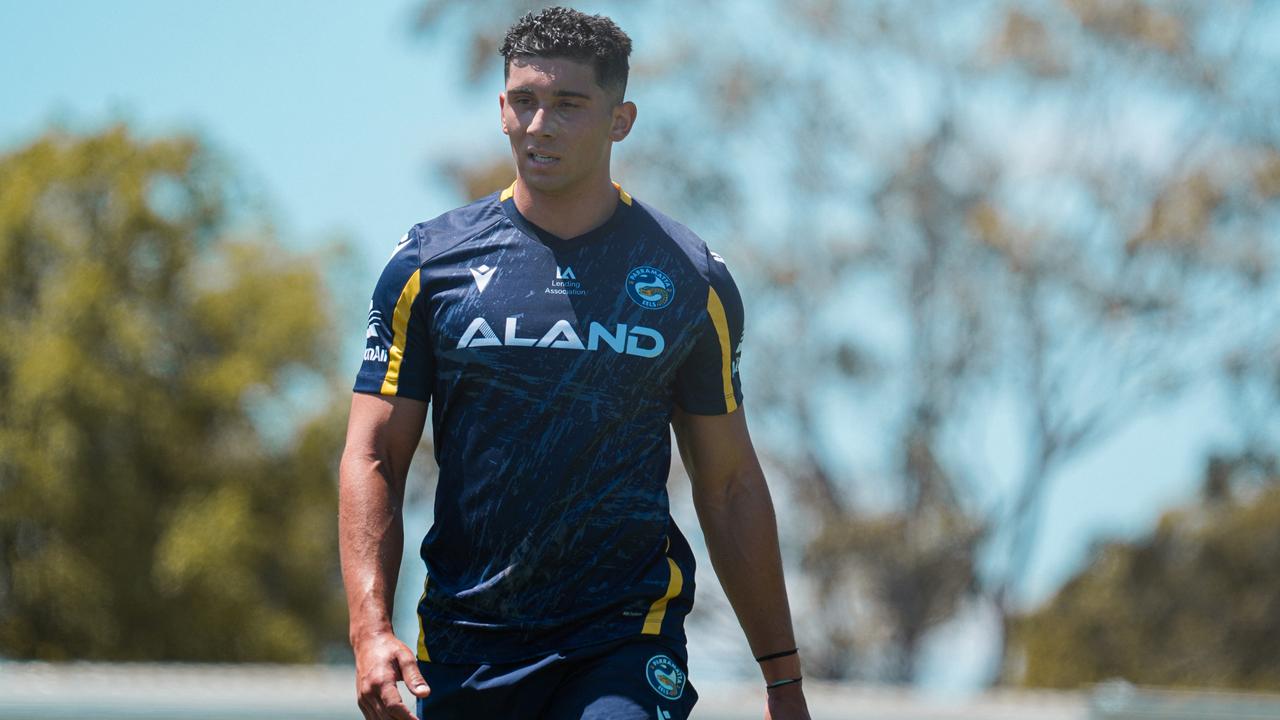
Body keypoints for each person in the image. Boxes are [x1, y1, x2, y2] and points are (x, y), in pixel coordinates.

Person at [339, 7, 810, 719]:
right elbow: (373, 455)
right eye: (523, 102)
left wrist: (783, 678)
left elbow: (730, 482)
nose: (539, 125)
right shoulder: (427, 267)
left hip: (622, 638)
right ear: (500, 109)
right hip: (467, 645)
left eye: (568, 105)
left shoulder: (687, 278)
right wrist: (370, 630)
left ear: (620, 120)